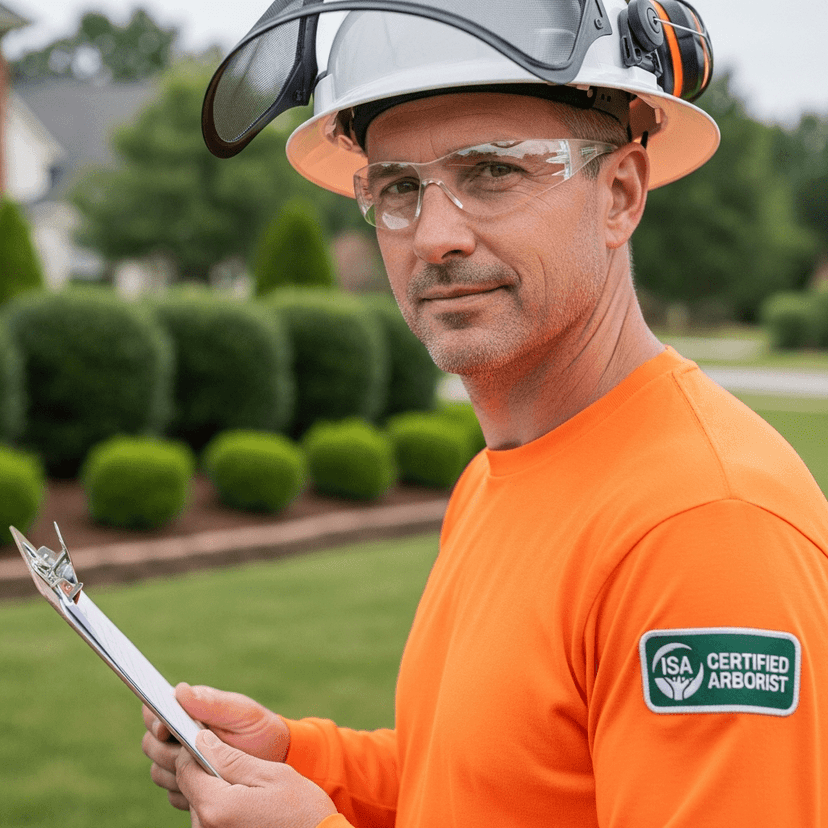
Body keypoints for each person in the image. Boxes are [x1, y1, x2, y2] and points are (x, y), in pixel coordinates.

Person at [142, 2, 828, 825]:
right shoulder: (496, 477)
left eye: (493, 172)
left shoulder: (705, 529)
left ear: (619, 195)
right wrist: (300, 758)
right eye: (399, 187)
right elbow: (482, 779)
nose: (434, 235)